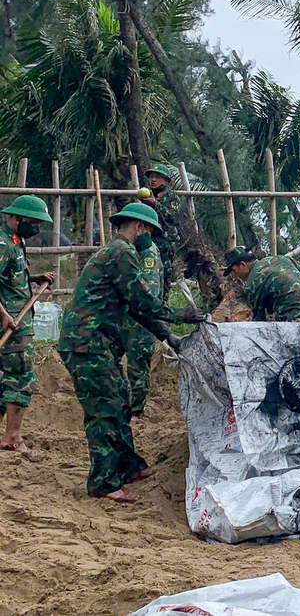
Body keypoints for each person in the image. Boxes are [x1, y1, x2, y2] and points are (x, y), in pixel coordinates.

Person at [58, 203, 206, 503]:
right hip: (87, 343)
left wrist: (169, 338)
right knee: (106, 409)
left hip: (98, 344)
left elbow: (137, 310)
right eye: (149, 231)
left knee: (121, 400)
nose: (150, 238)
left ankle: (128, 466)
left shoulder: (118, 253)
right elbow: (144, 303)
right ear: (139, 227)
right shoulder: (121, 253)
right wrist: (182, 315)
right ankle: (103, 482)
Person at [0, 195, 55, 460]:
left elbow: (10, 277)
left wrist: (35, 278)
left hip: (19, 318)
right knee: (21, 378)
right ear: (18, 218)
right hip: (11, 324)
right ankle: (11, 438)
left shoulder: (15, 241)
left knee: (8, 378)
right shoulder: (1, 243)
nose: (36, 228)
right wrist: (3, 315)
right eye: (33, 222)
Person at [141, 163, 224, 305]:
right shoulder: (148, 199)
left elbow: (172, 218)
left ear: (167, 181)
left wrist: (155, 204)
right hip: (148, 244)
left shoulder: (171, 198)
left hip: (164, 246)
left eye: (158, 177)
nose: (153, 180)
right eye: (151, 177)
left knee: (163, 277)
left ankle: (162, 307)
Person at [116, 211, 165, 422]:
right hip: (125, 319)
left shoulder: (149, 254)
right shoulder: (130, 251)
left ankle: (137, 411)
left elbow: (148, 294)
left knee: (137, 365)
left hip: (141, 322)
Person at [225, 247, 300, 322]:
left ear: (243, 265)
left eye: (234, 271)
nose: (236, 276)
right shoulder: (278, 259)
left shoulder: (253, 284)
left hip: (297, 320)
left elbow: (258, 320)